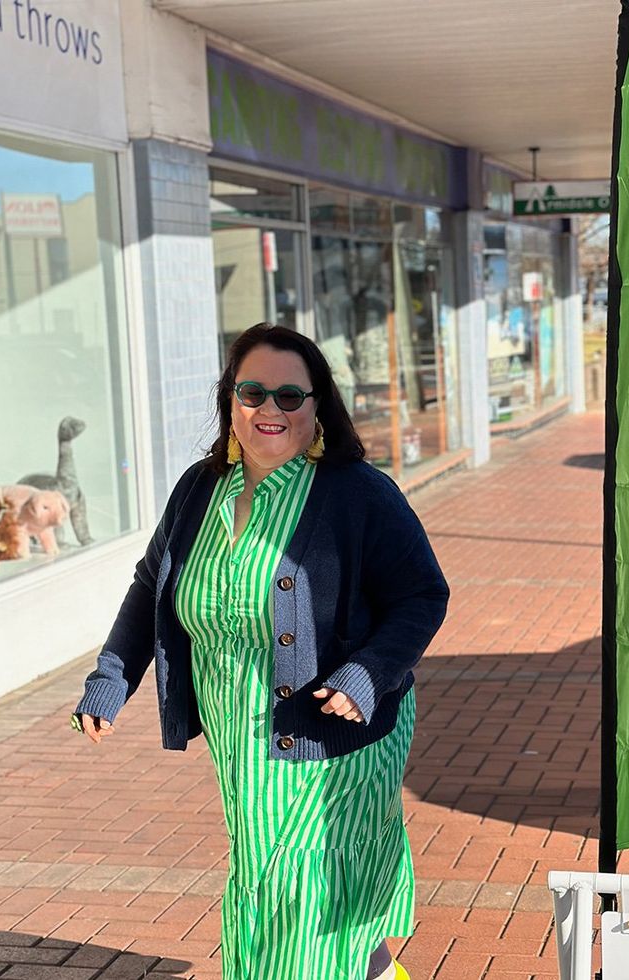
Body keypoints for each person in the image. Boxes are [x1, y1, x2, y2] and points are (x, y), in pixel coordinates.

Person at [72, 323, 449, 980]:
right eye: (253, 393)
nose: (270, 410)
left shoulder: (357, 493)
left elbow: (423, 594)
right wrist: (112, 677)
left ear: (317, 404)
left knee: (301, 904)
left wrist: (367, 675)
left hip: (338, 741)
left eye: (289, 396)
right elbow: (150, 584)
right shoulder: (198, 490)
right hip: (242, 742)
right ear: (229, 400)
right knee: (286, 889)